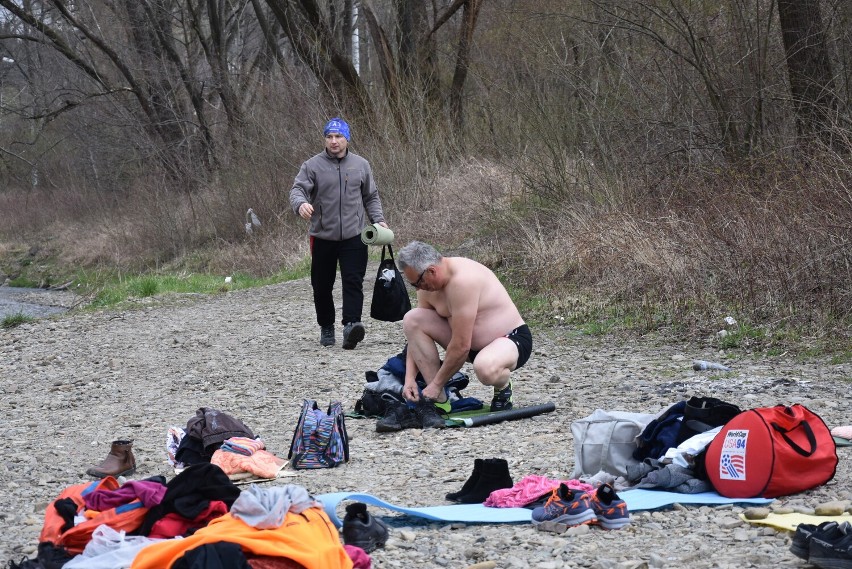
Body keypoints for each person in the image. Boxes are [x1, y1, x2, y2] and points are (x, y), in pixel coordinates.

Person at [397, 241, 532, 422]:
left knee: (485, 369)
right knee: (412, 318)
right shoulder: (426, 286)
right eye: (414, 285)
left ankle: (503, 386)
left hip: (510, 339)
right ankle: (439, 401)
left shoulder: (463, 280)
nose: (418, 289)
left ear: (431, 271)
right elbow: (415, 335)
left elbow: (461, 346)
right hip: (469, 346)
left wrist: (437, 383)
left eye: (418, 283)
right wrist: (409, 378)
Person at [289, 118, 389, 349]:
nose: (334, 141)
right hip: (322, 236)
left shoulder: (361, 165)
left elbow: (370, 196)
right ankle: (326, 326)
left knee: (353, 281)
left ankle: (351, 325)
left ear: (347, 139)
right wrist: (301, 204)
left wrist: (378, 220)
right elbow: (297, 190)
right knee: (322, 285)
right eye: (329, 137)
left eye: (338, 137)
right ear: (325, 139)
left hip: (354, 235)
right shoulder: (312, 166)